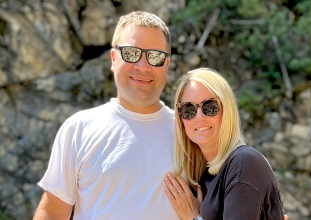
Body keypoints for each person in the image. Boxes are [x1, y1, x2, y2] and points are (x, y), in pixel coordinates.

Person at [33, 11, 181, 220]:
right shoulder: (79, 128)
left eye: (155, 56)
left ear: (167, 64)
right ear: (113, 58)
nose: (143, 66)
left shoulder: (190, 132)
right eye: (131, 53)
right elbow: (53, 212)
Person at [163, 68, 285, 220]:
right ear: (181, 118)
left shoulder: (244, 164)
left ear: (227, 110)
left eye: (210, 106)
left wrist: (193, 217)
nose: (199, 117)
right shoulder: (205, 176)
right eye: (188, 109)